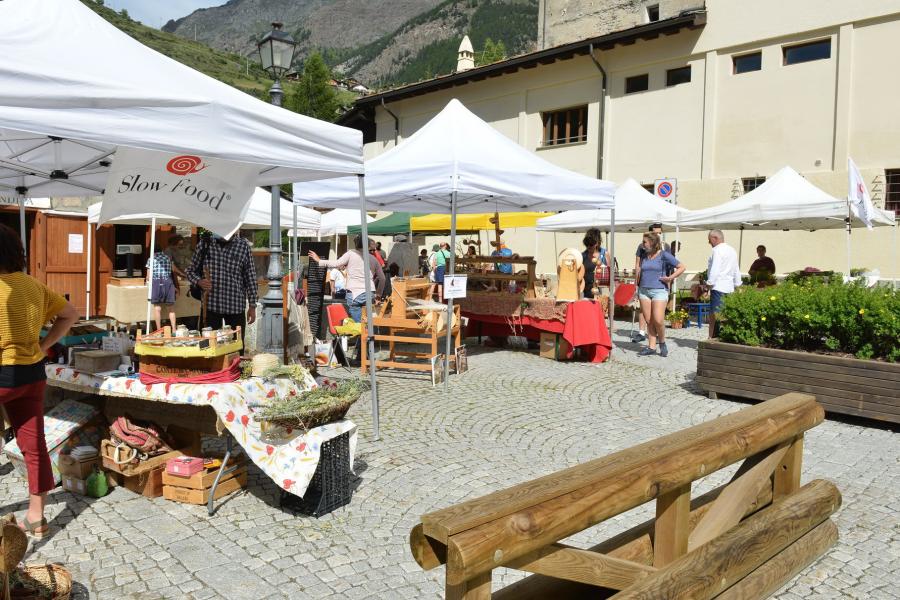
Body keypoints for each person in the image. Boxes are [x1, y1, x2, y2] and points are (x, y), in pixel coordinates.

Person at [0, 223, 79, 538]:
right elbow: (71, 313)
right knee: (34, 446)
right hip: (32, 374)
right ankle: (36, 517)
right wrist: (43, 346)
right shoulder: (33, 286)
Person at [188, 232, 258, 345]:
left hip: (236, 304)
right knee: (209, 345)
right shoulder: (205, 244)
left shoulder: (243, 246)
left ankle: (236, 362)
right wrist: (199, 281)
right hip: (211, 304)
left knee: (237, 345)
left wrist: (252, 305)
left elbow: (250, 276)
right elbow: (190, 271)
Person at [309, 234, 385, 323]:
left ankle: (360, 336)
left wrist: (319, 260)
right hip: (370, 292)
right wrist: (379, 294)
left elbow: (337, 264)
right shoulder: (373, 258)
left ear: (355, 244)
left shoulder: (351, 253)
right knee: (368, 321)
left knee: (358, 324)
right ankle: (368, 335)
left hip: (354, 292)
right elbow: (382, 278)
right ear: (368, 245)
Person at [635, 232, 685, 357]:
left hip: (659, 290)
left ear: (652, 243)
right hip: (644, 290)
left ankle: (662, 342)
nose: (643, 244)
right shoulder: (644, 255)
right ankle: (651, 346)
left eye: (645, 242)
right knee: (649, 320)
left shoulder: (664, 255)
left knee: (658, 319)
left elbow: (681, 267)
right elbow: (640, 271)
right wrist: (636, 286)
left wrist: (670, 278)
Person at [633, 223, 671, 342]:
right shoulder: (642, 246)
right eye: (655, 232)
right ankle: (641, 331)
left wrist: (669, 279)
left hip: (659, 282)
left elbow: (670, 264)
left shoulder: (666, 247)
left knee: (657, 313)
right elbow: (638, 264)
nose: (658, 234)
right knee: (644, 310)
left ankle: (658, 336)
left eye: (660, 232)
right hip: (645, 280)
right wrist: (636, 281)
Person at [706, 229, 742, 338]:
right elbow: (736, 269)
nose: (709, 243)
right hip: (729, 287)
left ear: (715, 238)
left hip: (718, 286)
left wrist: (709, 284)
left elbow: (715, 269)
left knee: (715, 315)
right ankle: (724, 337)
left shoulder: (717, 250)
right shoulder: (732, 250)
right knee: (726, 315)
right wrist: (737, 284)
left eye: (709, 240)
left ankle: (711, 338)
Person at [146, 239, 178, 331]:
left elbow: (148, 277)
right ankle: (174, 330)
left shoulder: (151, 259)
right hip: (168, 282)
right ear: (161, 250)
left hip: (156, 282)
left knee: (157, 308)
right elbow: (173, 270)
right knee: (171, 309)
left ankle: (159, 330)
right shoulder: (168, 258)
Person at [581, 229, 609, 299]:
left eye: (591, 244)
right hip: (585, 291)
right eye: (587, 244)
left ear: (597, 243)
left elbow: (610, 272)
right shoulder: (583, 255)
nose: (588, 247)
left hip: (599, 291)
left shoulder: (604, 254)